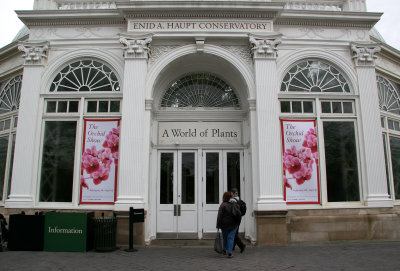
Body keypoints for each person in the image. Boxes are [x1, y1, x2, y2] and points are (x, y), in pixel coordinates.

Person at [216, 191, 238, 258]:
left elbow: (219, 216)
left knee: (225, 237)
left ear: (224, 197)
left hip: (224, 225)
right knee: (230, 238)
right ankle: (229, 253)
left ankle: (224, 250)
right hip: (233, 225)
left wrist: (218, 225)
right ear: (230, 197)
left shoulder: (222, 205)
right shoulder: (234, 204)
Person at [230, 188, 246, 253]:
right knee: (235, 232)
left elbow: (230, 210)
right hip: (239, 218)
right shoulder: (239, 200)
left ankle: (241, 245)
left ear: (233, 194)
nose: (231, 194)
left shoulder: (232, 200)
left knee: (233, 233)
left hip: (234, 218)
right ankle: (232, 246)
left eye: (231, 193)